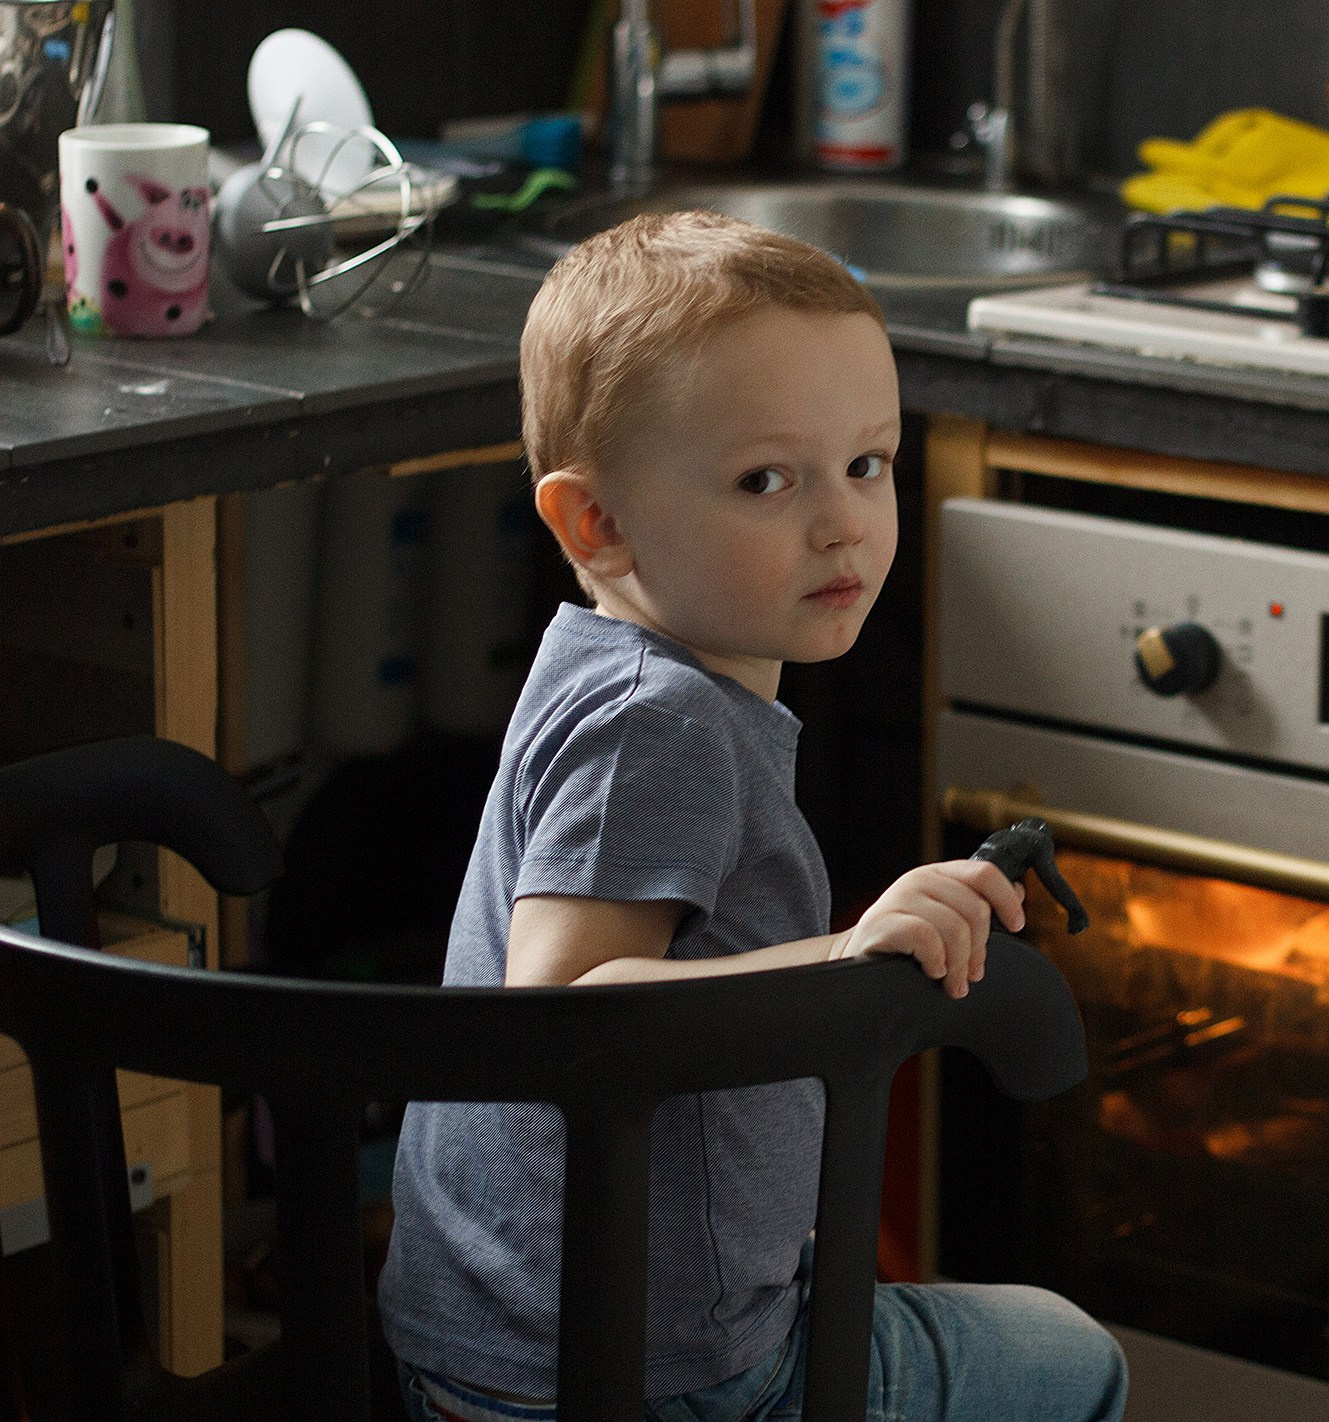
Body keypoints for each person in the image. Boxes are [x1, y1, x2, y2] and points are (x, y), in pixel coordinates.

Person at [376, 211, 1128, 1422]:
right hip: (639, 1374)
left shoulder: (624, 675)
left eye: (868, 464)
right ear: (595, 525)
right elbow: (562, 1008)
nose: (840, 522)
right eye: (766, 479)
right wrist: (842, 960)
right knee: (1071, 1361)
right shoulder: (657, 724)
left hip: (504, 1346)